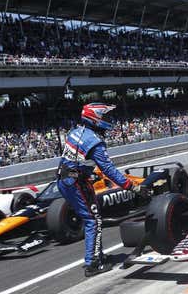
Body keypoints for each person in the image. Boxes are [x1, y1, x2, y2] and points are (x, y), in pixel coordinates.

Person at [57, 103, 142, 277]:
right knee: (93, 221)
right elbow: (109, 170)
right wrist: (131, 186)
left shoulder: (74, 132)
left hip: (65, 179)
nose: (108, 120)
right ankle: (92, 264)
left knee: (93, 217)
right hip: (76, 182)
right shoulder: (95, 142)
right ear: (95, 119)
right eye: (105, 117)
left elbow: (75, 159)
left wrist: (87, 172)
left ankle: (98, 255)